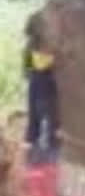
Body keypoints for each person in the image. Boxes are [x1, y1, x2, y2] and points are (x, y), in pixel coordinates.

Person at [23, 13, 58, 158]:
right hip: (45, 84)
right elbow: (41, 64)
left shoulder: (30, 46)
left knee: (36, 116)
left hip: (36, 84)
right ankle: (49, 146)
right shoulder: (42, 46)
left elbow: (27, 69)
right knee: (49, 116)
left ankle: (32, 142)